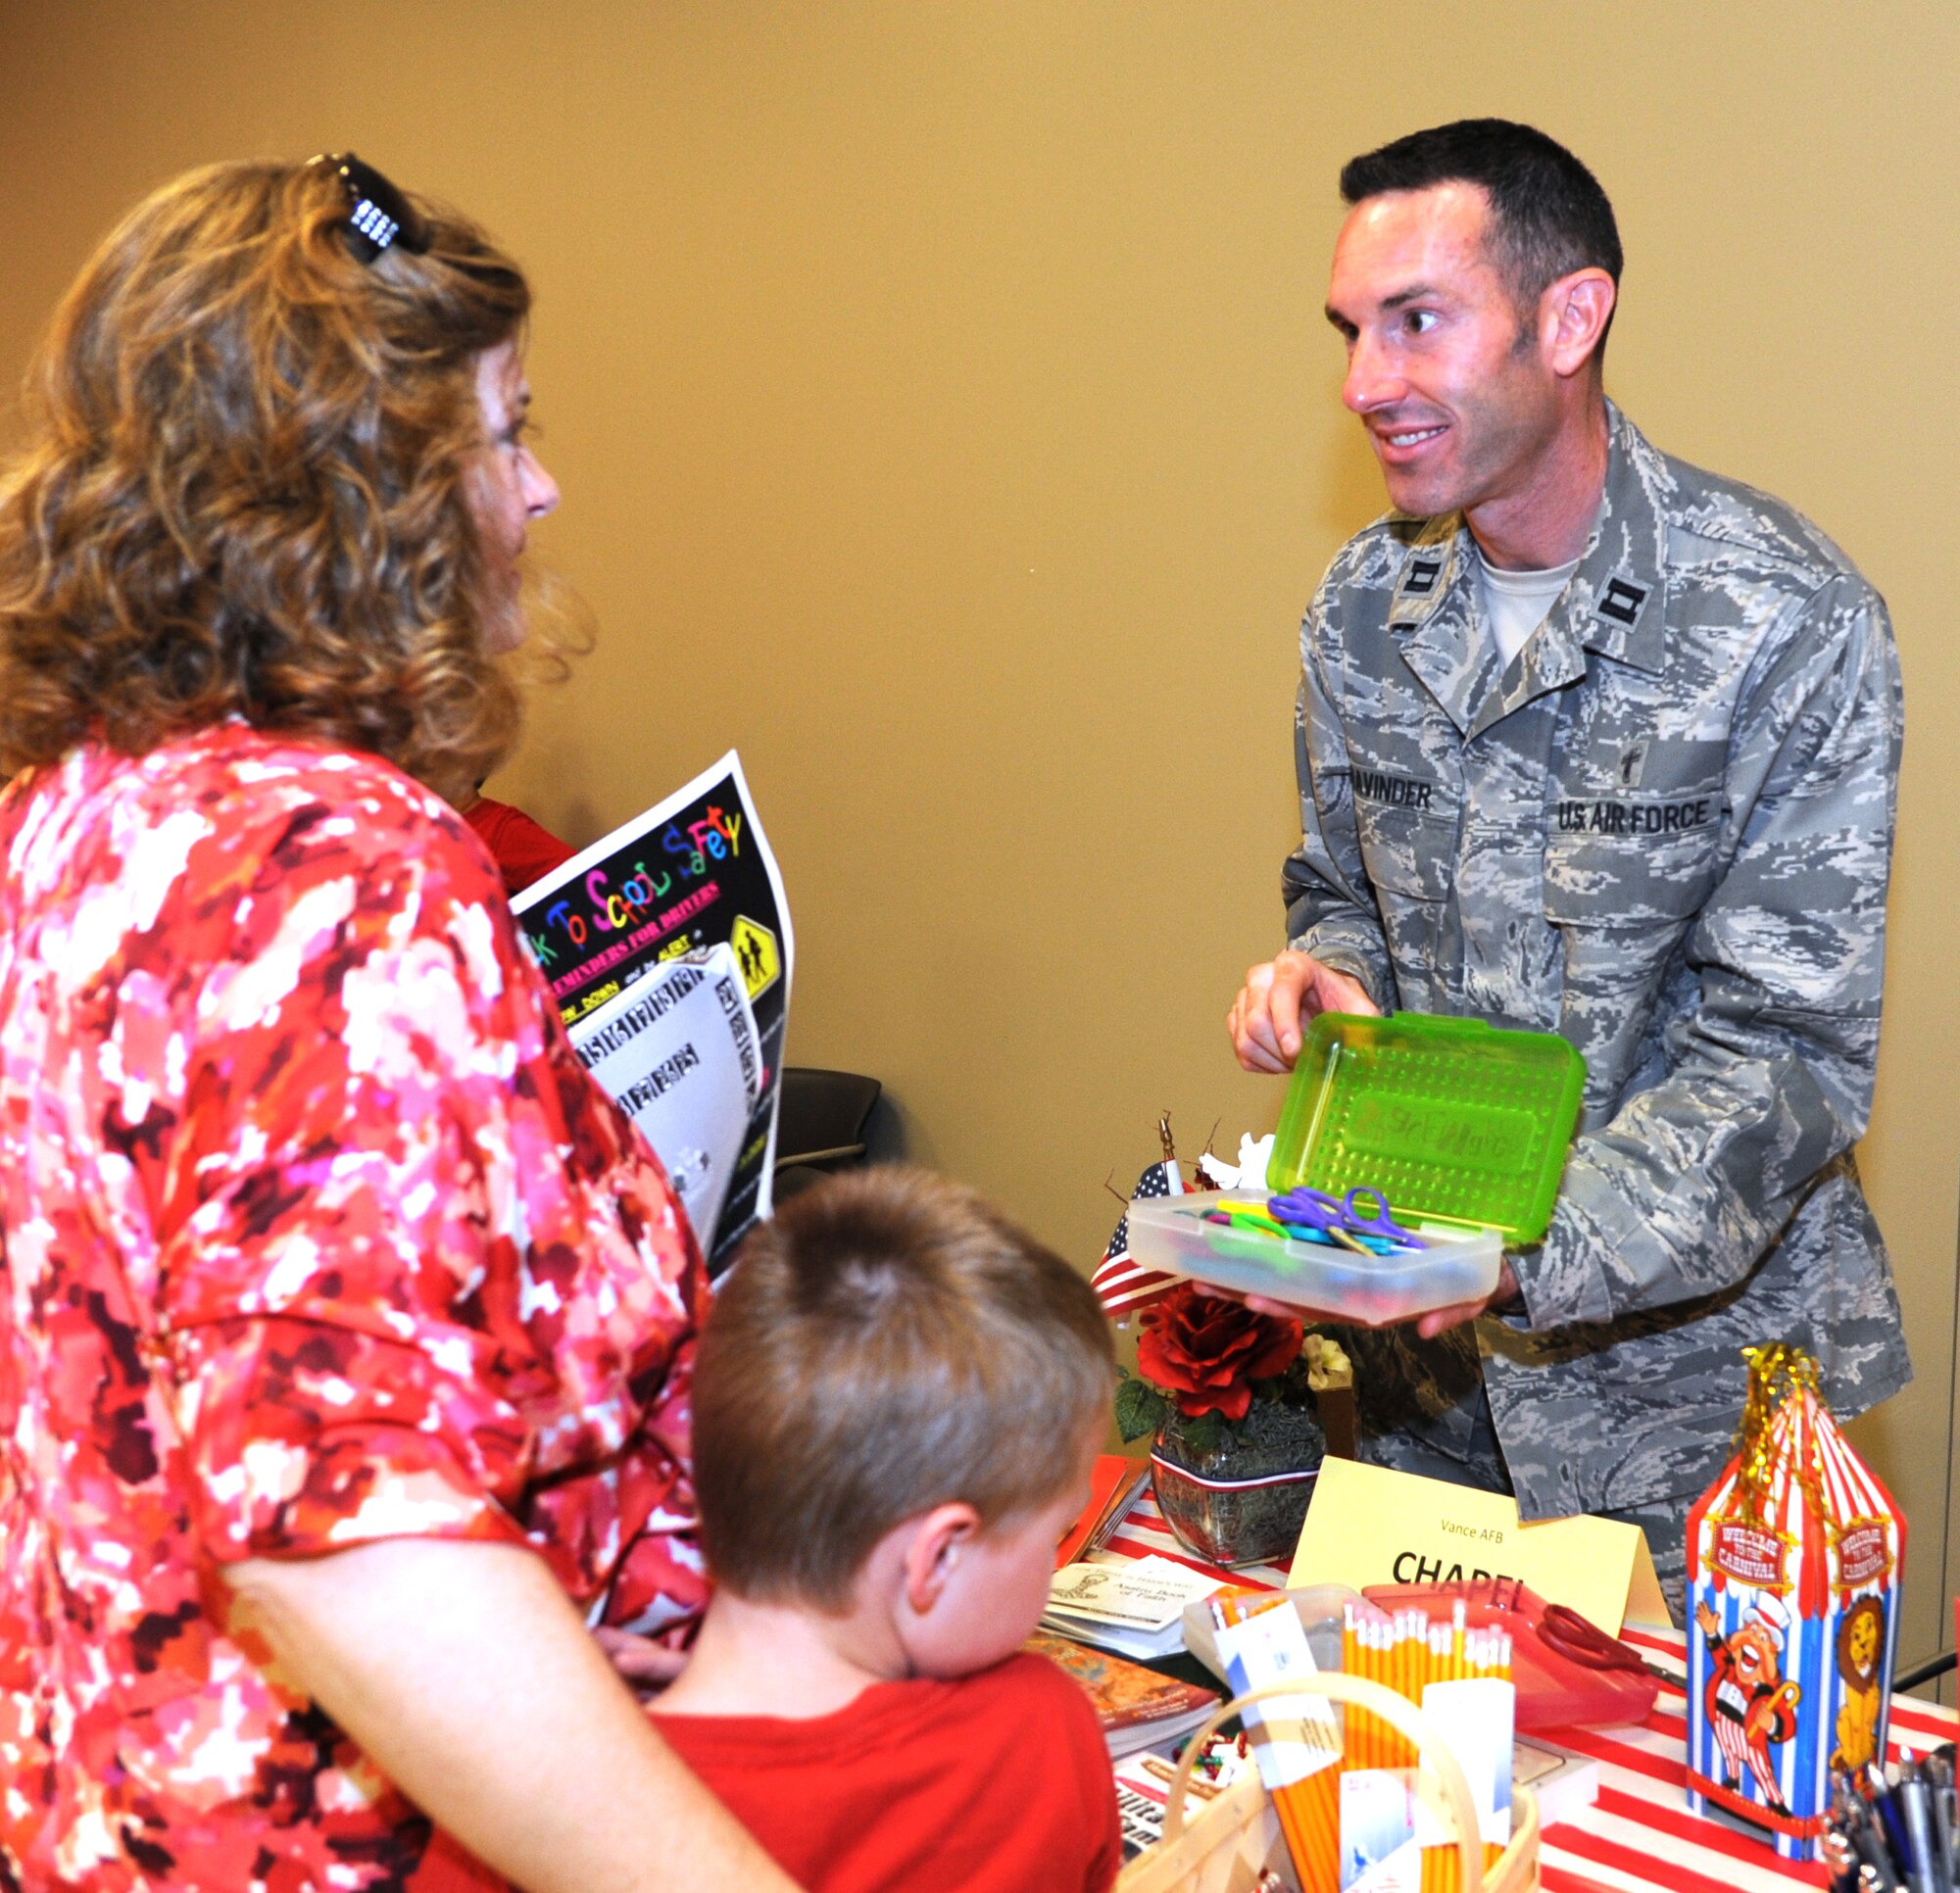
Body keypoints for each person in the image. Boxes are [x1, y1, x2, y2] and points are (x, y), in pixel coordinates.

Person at [0, 156, 796, 1891]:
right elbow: (349, 1540)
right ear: (364, 504)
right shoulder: (333, 876)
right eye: (503, 433)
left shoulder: (85, 823)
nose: (543, 484)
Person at [1227, 120, 1907, 1610]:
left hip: (1703, 1430)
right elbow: (1337, 881)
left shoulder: (1783, 617)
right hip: (1433, 1409)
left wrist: (1522, 1253)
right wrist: (1326, 972)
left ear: (1568, 318)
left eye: (1417, 322)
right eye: (1351, 331)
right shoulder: (1361, 605)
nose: (1363, 385)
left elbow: (1785, 1057)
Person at [652, 1166, 1123, 1893]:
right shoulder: (1035, 1734)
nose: (1053, 1570)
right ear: (938, 1557)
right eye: (1057, 1536)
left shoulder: (506, 1814)